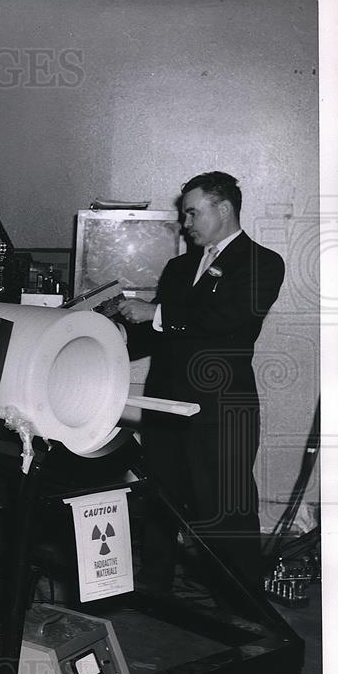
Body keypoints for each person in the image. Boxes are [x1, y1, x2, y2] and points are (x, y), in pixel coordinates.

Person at [118, 171, 284, 596]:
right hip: (166, 404)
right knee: (161, 499)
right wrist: (102, 336)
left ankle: (242, 603)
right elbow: (150, 335)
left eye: (192, 212)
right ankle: (154, 588)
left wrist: (152, 313)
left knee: (226, 505)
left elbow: (226, 321)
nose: (185, 222)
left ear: (223, 209)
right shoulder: (178, 267)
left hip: (220, 408)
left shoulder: (262, 263)